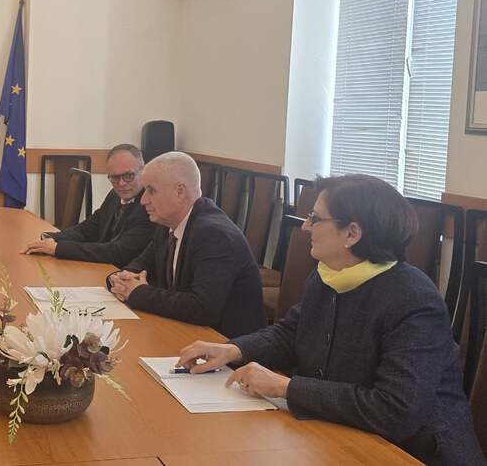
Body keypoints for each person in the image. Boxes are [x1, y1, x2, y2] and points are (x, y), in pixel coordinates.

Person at [177, 174, 484, 465]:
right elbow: (291, 333)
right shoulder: (328, 276)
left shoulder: (413, 300)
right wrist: (232, 350)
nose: (305, 227)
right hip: (341, 436)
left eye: (315, 218)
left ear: (352, 233)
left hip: (415, 453)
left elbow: (395, 410)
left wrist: (286, 387)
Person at [107, 152, 265, 338]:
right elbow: (139, 266)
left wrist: (138, 292)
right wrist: (120, 280)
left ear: (179, 192)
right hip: (185, 331)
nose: (143, 200)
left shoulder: (214, 235)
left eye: (151, 191)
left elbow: (202, 307)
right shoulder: (167, 223)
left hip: (225, 343)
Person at [22, 144, 154, 267]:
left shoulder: (150, 207)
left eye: (129, 175)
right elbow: (89, 228)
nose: (121, 183)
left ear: (143, 171)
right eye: (115, 177)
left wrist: (58, 248)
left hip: (124, 273)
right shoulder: (115, 194)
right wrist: (51, 238)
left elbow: (118, 253)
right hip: (103, 269)